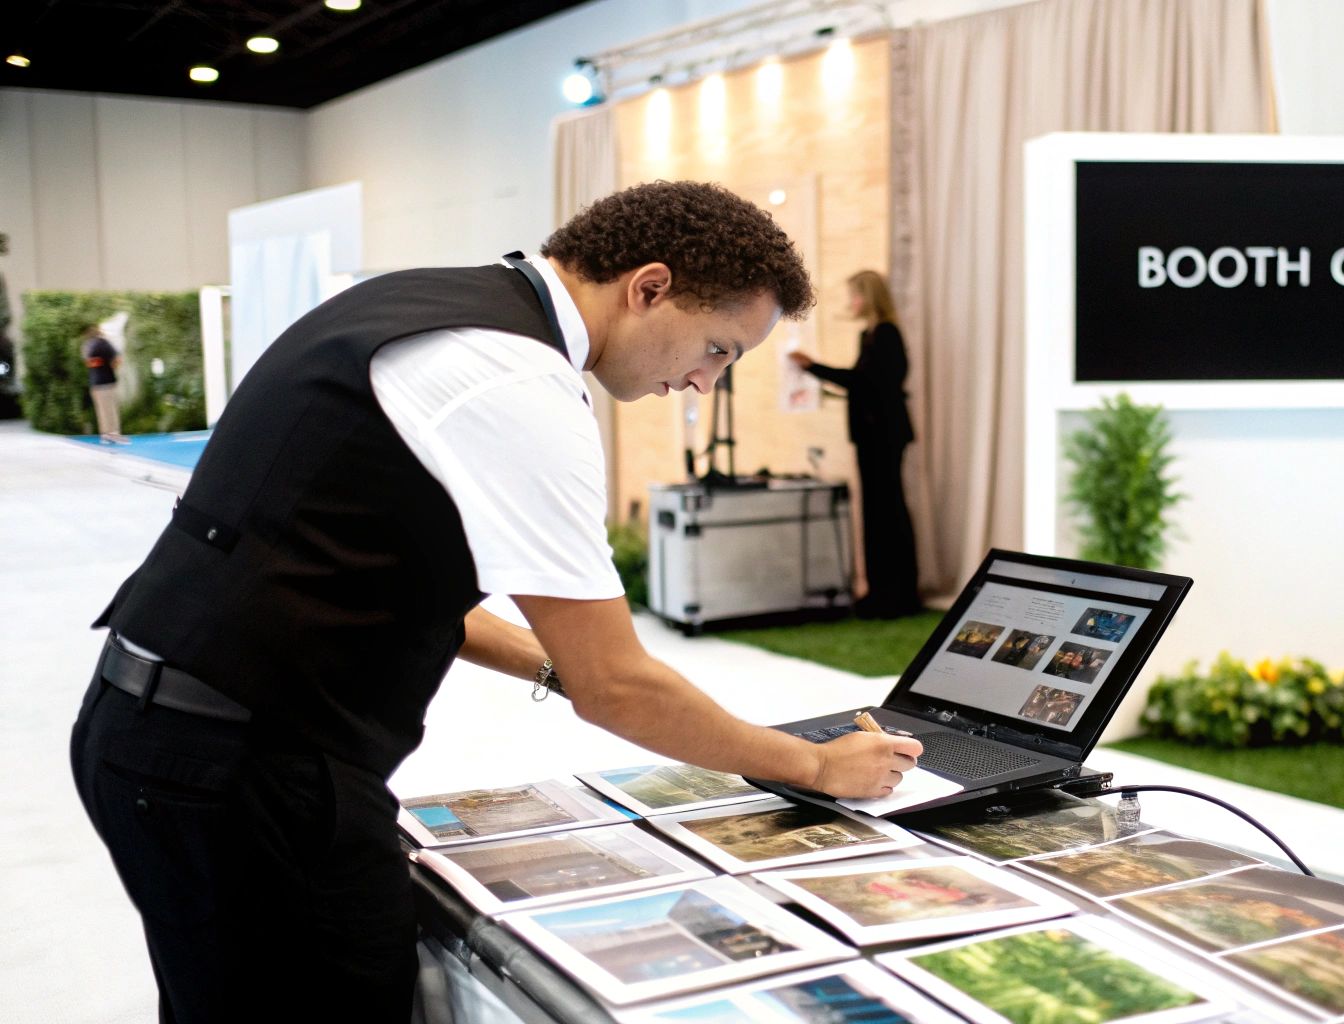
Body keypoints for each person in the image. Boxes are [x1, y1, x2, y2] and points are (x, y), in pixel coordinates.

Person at [68, 181, 922, 1022]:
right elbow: (617, 686)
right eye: (718, 349)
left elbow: (385, 575)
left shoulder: (437, 306)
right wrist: (809, 764)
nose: (704, 382)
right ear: (650, 288)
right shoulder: (514, 382)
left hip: (159, 730)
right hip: (242, 764)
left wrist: (554, 663)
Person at [788, 270, 921, 618]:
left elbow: (867, 383)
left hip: (884, 437)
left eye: (856, 295)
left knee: (887, 514)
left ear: (870, 297)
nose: (852, 303)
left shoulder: (886, 334)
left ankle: (896, 596)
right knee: (878, 514)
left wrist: (813, 367)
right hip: (874, 436)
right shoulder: (871, 335)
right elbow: (866, 384)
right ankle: (881, 592)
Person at [79, 323, 128, 444]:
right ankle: (114, 434)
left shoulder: (87, 346)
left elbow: (87, 362)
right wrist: (112, 368)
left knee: (101, 410)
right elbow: (117, 359)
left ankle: (105, 435)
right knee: (111, 409)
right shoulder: (104, 343)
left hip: (95, 382)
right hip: (107, 381)